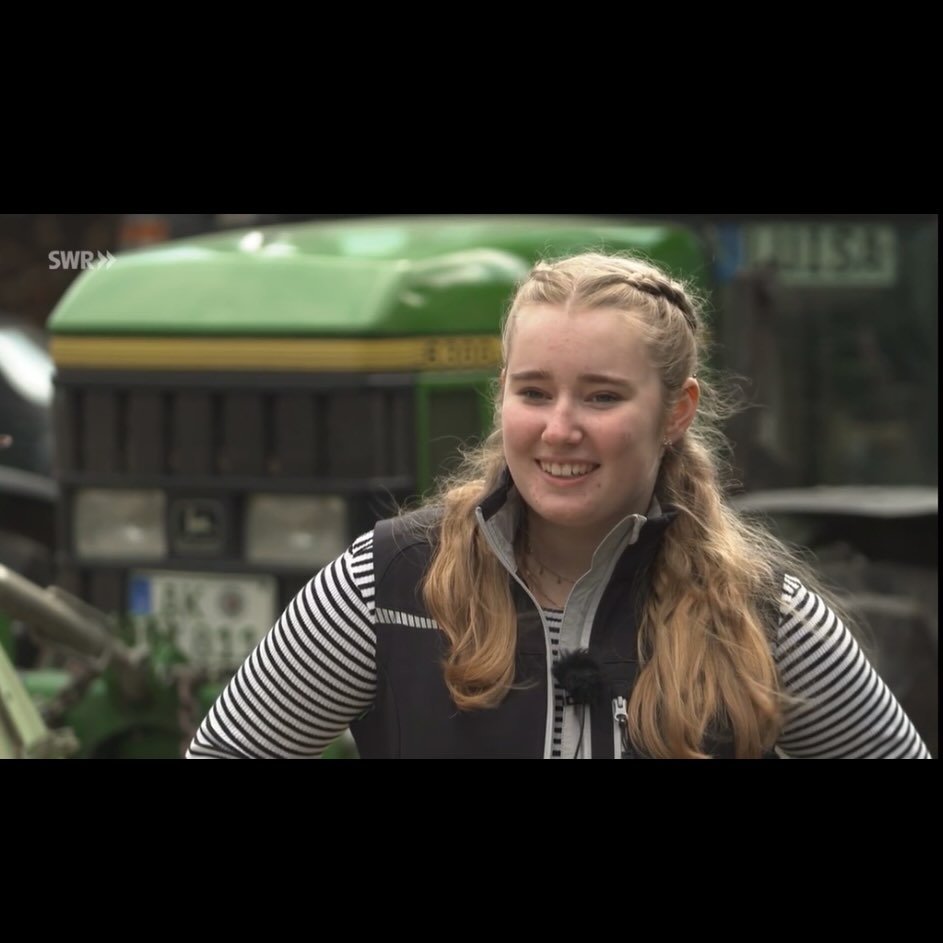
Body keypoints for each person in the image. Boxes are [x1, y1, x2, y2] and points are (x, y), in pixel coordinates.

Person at [187, 252, 931, 759]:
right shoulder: (385, 583)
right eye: (534, 392)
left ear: (675, 412)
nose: (560, 428)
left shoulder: (764, 616)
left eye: (602, 396)